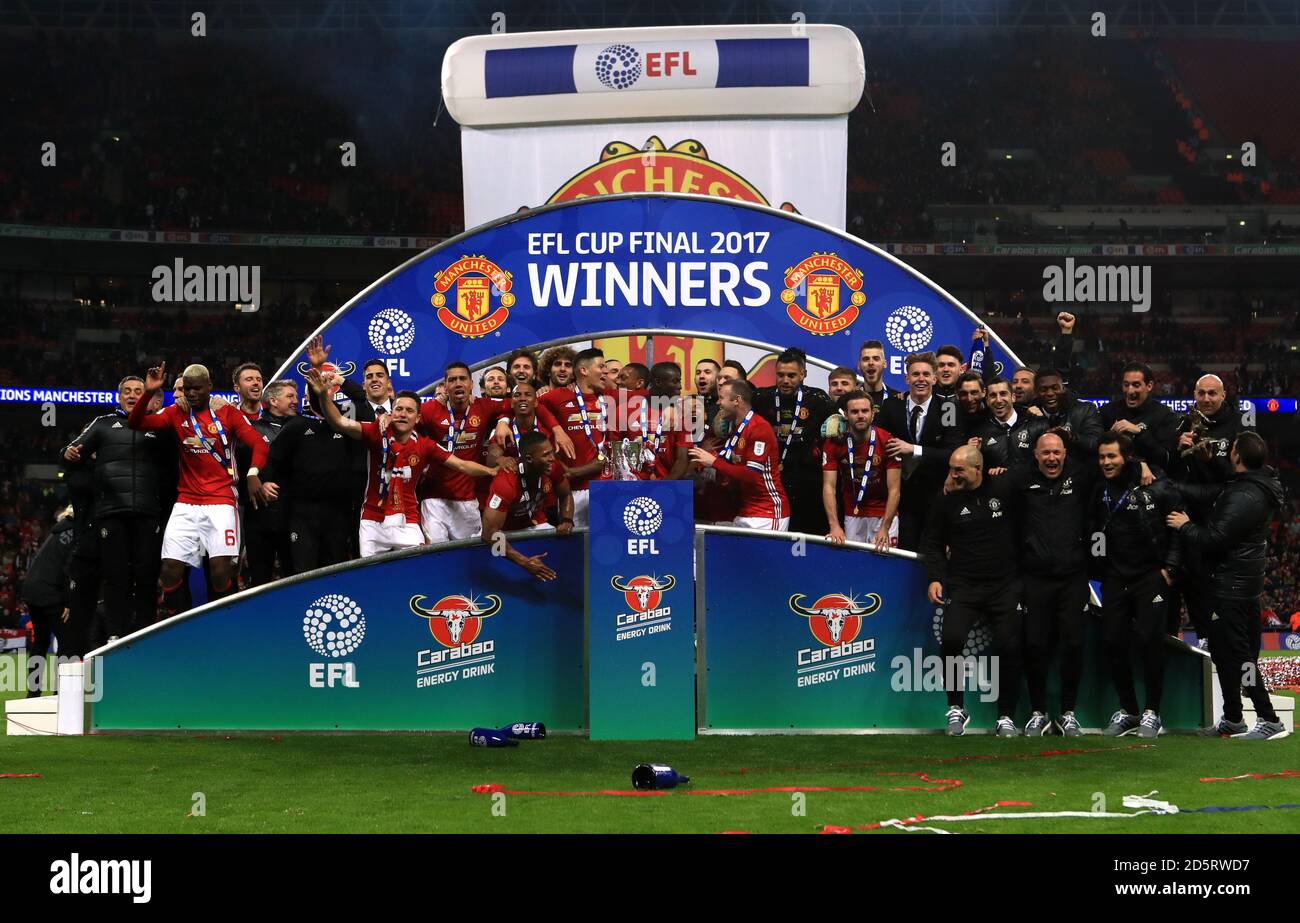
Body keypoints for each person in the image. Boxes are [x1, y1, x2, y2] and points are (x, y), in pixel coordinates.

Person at [1169, 432, 1289, 740]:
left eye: (1231, 450)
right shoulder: (1254, 486)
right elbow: (1221, 486)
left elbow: (1215, 539)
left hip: (1230, 587)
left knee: (1238, 654)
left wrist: (1186, 526)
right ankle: (1233, 718)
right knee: (1224, 653)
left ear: (1237, 457)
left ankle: (1267, 717)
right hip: (1241, 584)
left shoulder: (1245, 494)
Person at [127, 362, 269, 610]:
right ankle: (180, 628)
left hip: (222, 501)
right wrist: (149, 391)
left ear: (210, 387)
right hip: (186, 502)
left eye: (197, 389)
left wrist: (253, 473)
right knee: (169, 570)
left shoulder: (227, 413)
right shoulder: (175, 412)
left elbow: (260, 445)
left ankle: (223, 627)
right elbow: (136, 423)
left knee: (220, 572)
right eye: (188, 389)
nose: (191, 394)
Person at [306, 371, 497, 555]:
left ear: (418, 418)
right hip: (372, 521)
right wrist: (323, 395)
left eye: (409, 410)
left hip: (408, 521)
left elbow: (462, 465)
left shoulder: (425, 446)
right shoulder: (376, 432)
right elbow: (339, 422)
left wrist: (491, 471)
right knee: (372, 576)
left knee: (415, 570)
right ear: (391, 412)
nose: (403, 414)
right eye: (398, 409)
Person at [919, 445, 1023, 737]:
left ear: (978, 469)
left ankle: (1006, 716)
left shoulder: (1004, 488)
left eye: (958, 469)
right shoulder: (944, 500)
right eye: (951, 468)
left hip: (1005, 584)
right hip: (965, 585)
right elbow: (932, 543)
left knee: (1010, 646)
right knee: (951, 639)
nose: (952, 474)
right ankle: (956, 707)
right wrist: (935, 577)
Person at [1090, 432, 1184, 739]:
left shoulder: (1157, 485)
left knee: (1148, 640)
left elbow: (1179, 526)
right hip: (1115, 577)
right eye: (1102, 457)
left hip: (1150, 576)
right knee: (1112, 641)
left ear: (1127, 457)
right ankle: (1129, 711)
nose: (1106, 462)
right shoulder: (1097, 489)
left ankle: (1152, 712)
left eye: (1112, 456)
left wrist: (1169, 569)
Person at [60, 375, 167, 638]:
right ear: (119, 397)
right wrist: (67, 452)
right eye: (127, 391)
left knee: (145, 577)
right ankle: (115, 635)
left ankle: (145, 634)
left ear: (148, 396)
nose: (132, 395)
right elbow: (71, 454)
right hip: (111, 513)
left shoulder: (159, 426)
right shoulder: (103, 424)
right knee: (115, 578)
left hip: (147, 512)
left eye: (138, 391)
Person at [417, 361, 566, 544]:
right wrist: (386, 417)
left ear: (471, 384)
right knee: (435, 554)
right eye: (452, 380)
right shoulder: (428, 410)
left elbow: (523, 402)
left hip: (467, 499)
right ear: (445, 385)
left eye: (462, 379)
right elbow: (402, 418)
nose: (458, 384)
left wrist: (504, 420)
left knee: (468, 555)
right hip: (434, 498)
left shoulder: (484, 406)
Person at [1007, 433, 1093, 736]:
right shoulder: (1019, 481)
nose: (1052, 458)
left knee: (1072, 643)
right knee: (1035, 645)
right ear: (1035, 454)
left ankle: (1068, 713)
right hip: (1034, 578)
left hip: (1073, 577)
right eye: (1046, 453)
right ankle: (1038, 711)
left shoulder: (1082, 477)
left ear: (1065, 453)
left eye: (1057, 453)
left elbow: (1116, 463)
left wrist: (1142, 467)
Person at [877, 352, 964, 551]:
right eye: (915, 374)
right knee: (903, 550)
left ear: (934, 378)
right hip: (900, 495)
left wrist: (912, 449)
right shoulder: (892, 405)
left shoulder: (947, 408)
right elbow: (878, 442)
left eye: (926, 374)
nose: (921, 379)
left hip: (935, 495)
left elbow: (951, 452)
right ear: (907, 378)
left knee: (933, 550)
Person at [266, 393, 354, 575]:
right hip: (303, 513)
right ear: (307, 397)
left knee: (335, 569)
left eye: (324, 391)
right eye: (315, 391)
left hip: (337, 513)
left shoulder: (347, 425)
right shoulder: (296, 425)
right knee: (303, 571)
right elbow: (272, 458)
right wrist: (264, 480)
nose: (320, 394)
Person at [688, 378, 789, 530]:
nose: (718, 403)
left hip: (767, 512)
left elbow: (752, 474)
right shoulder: (736, 427)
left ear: (737, 400)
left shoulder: (758, 428)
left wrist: (714, 462)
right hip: (745, 510)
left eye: (722, 398)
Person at [754, 348, 835, 535]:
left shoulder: (818, 399)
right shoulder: (762, 398)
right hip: (771, 480)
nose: (785, 380)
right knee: (774, 536)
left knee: (807, 534)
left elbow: (840, 424)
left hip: (807, 480)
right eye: (780, 375)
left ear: (803, 375)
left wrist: (838, 423)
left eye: (791, 375)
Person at [481, 432, 574, 581]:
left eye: (552, 452)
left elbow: (566, 495)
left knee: (567, 547)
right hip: (504, 532)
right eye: (546, 455)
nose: (552, 458)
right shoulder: (506, 482)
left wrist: (567, 520)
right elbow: (488, 534)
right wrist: (525, 562)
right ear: (529, 459)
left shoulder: (552, 467)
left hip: (534, 525)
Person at [539, 348, 609, 527]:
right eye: (601, 366)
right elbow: (532, 404)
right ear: (584, 371)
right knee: (577, 548)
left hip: (605, 487)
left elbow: (648, 398)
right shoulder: (557, 397)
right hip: (572, 491)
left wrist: (676, 405)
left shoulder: (611, 398)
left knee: (605, 544)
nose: (606, 371)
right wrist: (557, 429)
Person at [822, 391, 900, 549]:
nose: (860, 415)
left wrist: (885, 528)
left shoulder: (888, 441)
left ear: (873, 414)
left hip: (883, 514)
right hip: (852, 513)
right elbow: (828, 487)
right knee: (854, 564)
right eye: (854, 411)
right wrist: (834, 526)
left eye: (865, 411)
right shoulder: (834, 443)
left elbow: (895, 490)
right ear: (846, 415)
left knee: (884, 563)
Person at [238, 379, 297, 586]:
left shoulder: (303, 427)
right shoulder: (252, 430)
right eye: (290, 396)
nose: (295, 401)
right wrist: (260, 484)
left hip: (293, 515)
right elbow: (243, 469)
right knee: (259, 579)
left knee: (295, 578)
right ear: (273, 400)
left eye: (296, 397)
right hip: (259, 516)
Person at [19, 506, 75, 695]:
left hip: (32, 588)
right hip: (50, 591)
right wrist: (68, 602)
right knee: (67, 642)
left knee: (40, 642)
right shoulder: (77, 534)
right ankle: (61, 693)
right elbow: (68, 569)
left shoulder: (58, 531)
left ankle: (33, 693)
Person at [1098, 362, 1181, 472]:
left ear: (1149, 385)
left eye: (1136, 385)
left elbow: (1167, 460)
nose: (1130, 391)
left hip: (1153, 482)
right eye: (1126, 385)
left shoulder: (1165, 415)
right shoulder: (1107, 412)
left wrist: (1140, 432)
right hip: (1114, 482)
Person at [970, 377, 1047, 475]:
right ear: (988, 401)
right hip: (996, 487)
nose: (998, 400)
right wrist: (988, 472)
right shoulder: (979, 431)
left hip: (1030, 487)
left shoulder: (1035, 423)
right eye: (993, 395)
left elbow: (1046, 461)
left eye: (1003, 394)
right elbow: (975, 471)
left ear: (1013, 397)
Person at [1031, 367, 1103, 464]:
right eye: (1044, 389)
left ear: (1063, 388)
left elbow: (1097, 443)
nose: (1050, 393)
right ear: (1036, 392)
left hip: (1079, 472)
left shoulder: (1085, 409)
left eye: (1055, 388)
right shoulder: (1029, 414)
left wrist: (1071, 437)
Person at [857, 340, 899, 410]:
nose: (871, 362)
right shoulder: (849, 398)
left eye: (876, 359)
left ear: (884, 364)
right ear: (859, 365)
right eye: (866, 359)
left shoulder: (897, 399)